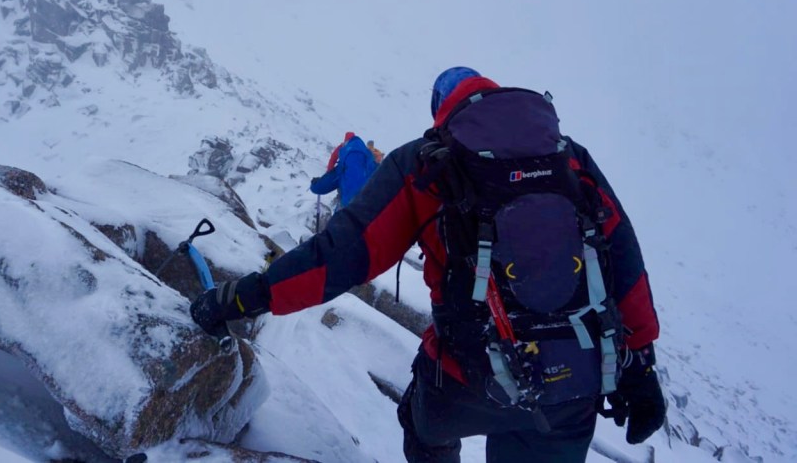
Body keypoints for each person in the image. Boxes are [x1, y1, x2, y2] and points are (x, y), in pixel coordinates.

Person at [191, 66, 665, 463]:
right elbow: (624, 259)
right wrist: (641, 367)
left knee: (424, 427)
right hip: (575, 381)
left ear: (441, 109)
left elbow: (339, 257)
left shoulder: (425, 164)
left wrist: (242, 299)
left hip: (467, 379)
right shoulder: (569, 158)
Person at [309, 132, 378, 208]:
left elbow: (333, 159)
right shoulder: (370, 160)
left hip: (348, 208)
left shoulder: (342, 157)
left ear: (346, 141)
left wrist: (324, 176)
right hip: (370, 208)